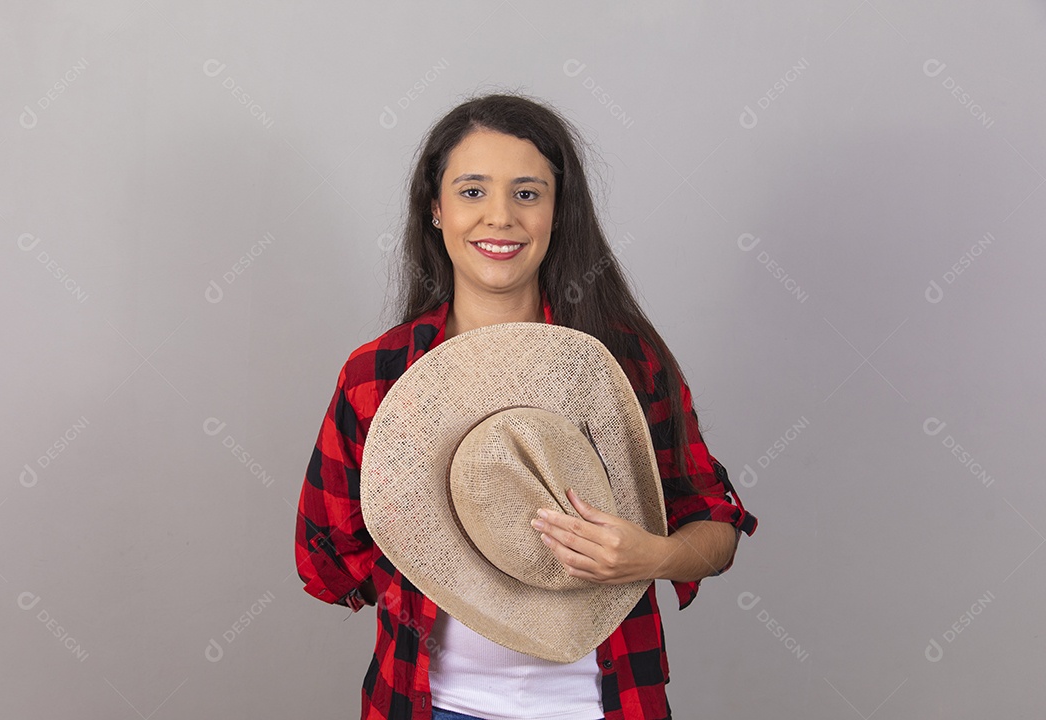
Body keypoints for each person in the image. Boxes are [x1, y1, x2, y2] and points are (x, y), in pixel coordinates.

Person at [294, 91, 758, 720]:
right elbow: (326, 556)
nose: (501, 217)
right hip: (427, 705)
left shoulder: (624, 361)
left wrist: (654, 556)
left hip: (601, 705)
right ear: (435, 209)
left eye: (528, 193)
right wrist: (436, 552)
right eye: (473, 191)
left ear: (559, 212)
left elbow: (717, 528)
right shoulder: (376, 375)